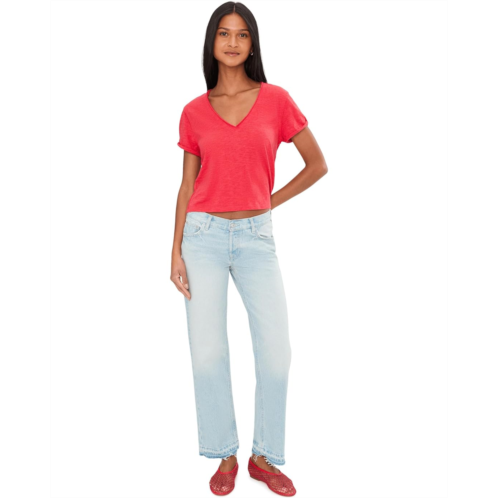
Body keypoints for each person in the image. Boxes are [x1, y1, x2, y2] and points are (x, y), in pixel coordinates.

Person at [171, 2, 328, 496]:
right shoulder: (194, 110)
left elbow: (317, 164)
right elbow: (187, 186)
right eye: (224, 33)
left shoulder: (276, 99)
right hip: (202, 237)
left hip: (257, 239)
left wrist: (267, 202)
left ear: (253, 44)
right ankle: (225, 454)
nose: (233, 42)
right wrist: (174, 251)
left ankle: (264, 457)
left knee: (277, 353)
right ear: (212, 42)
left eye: (242, 34)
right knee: (207, 354)